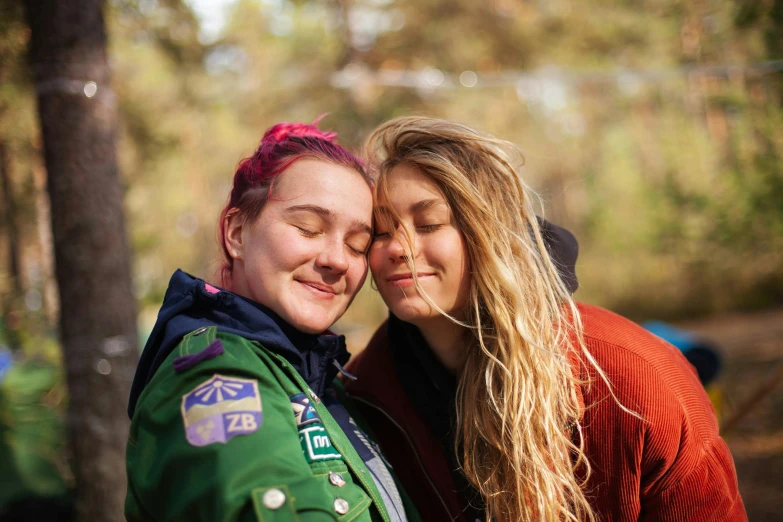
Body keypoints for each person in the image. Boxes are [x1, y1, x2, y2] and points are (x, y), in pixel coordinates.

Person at [344, 116, 748, 522]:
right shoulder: (367, 392)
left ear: (490, 233)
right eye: (380, 230)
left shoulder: (631, 375)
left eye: (429, 223)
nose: (397, 247)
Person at [125, 120, 417, 522]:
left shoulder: (325, 386)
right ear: (237, 232)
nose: (336, 259)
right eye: (307, 228)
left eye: (357, 245)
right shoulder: (215, 372)